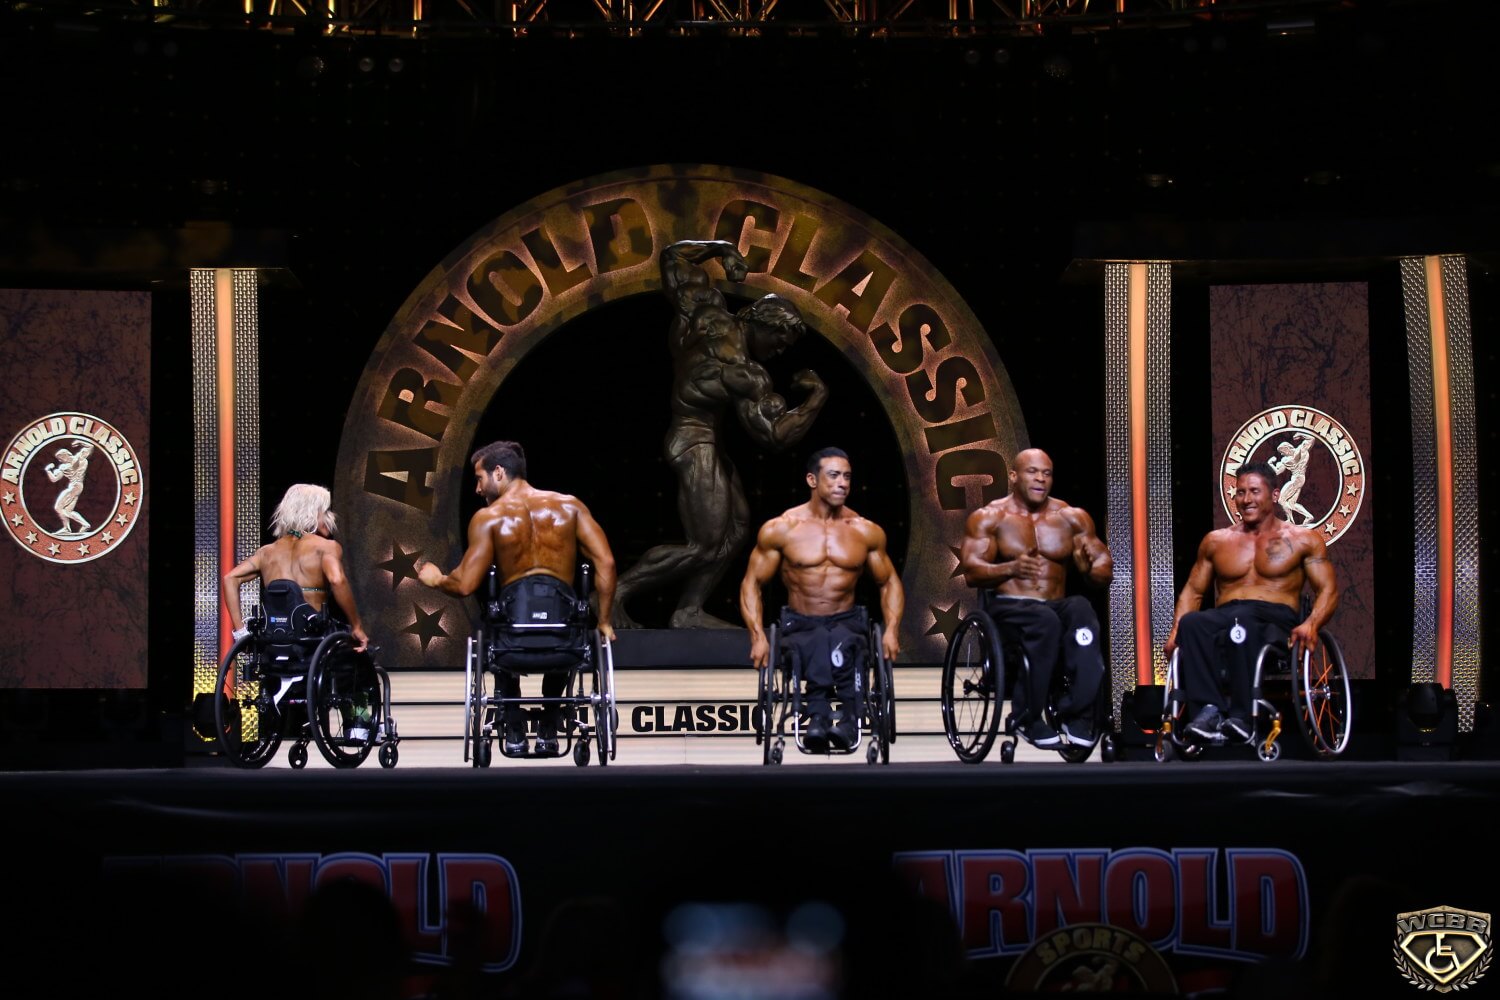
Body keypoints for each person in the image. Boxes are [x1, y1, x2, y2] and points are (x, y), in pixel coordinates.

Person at [612, 238, 829, 631]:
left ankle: (689, 610)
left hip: (705, 439)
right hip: (694, 441)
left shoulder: (705, 311)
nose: (780, 351)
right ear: (765, 324)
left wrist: (724, 249)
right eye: (780, 341)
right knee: (704, 545)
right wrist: (815, 399)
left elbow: (673, 256)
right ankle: (614, 593)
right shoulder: (747, 374)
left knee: (737, 529)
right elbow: (774, 438)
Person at [417, 440, 617, 755]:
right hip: (564, 644)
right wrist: (604, 621)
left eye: (479, 479)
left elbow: (465, 584)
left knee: (497, 620)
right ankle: (549, 726)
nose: (477, 489)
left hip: (511, 645)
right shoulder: (571, 507)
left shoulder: (489, 518)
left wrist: (437, 579)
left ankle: (513, 727)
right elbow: (606, 563)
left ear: (498, 472)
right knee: (564, 622)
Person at [739, 447, 903, 751]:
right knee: (818, 638)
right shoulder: (782, 529)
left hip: (847, 623)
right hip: (800, 625)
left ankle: (845, 719)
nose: (842, 483)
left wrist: (892, 629)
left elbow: (889, 581)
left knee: (842, 640)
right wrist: (757, 636)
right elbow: (752, 583)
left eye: (847, 477)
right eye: (834, 475)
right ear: (812, 480)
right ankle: (819, 715)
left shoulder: (865, 531)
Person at [1165, 460, 1339, 743]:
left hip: (1275, 620)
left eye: (1254, 491)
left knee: (1241, 621)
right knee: (1193, 623)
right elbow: (1193, 592)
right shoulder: (1216, 541)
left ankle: (1242, 716)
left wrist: (1312, 624)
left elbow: (1328, 590)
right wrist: (1176, 631)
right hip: (1228, 617)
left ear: (1274, 495)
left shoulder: (1303, 540)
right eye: (1240, 492)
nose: (1246, 499)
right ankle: (1208, 711)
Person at [957, 448, 1113, 749]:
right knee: (1045, 621)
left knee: (1082, 610)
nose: (1041, 478)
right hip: (1010, 607)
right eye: (1032, 471)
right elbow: (972, 572)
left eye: (1047, 473)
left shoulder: (1071, 518)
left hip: (1056, 606)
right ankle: (1026, 717)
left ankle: (1076, 713)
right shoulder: (991, 517)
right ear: (1014, 476)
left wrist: (1092, 568)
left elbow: (1103, 567)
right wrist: (1010, 568)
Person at [222, 483, 369, 650]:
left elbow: (230, 578)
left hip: (274, 640)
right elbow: (337, 580)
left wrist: (241, 632)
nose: (331, 517)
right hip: (312, 639)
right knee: (362, 651)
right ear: (312, 513)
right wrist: (357, 626)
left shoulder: (266, 553)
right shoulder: (326, 547)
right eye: (326, 512)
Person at [45, 439, 94, 534]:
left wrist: (80, 442)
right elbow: (54, 479)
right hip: (78, 487)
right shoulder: (72, 462)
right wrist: (48, 471)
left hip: (74, 486)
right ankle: (83, 525)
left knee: (58, 507)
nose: (60, 461)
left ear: (65, 455)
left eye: (60, 458)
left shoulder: (78, 458)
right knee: (68, 511)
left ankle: (68, 528)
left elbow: (91, 447)